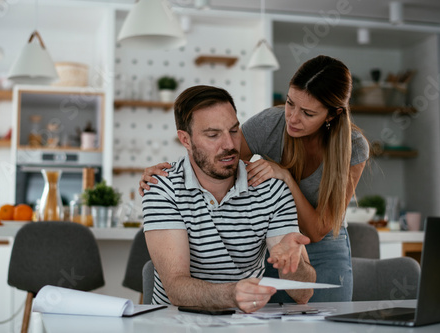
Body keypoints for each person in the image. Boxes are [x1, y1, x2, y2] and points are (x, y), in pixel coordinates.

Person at [140, 55, 369, 303]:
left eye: (308, 113)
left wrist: (286, 179)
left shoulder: (352, 149)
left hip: (315, 241)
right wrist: (170, 174)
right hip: (275, 242)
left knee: (325, 320)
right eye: (290, 103)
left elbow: (316, 233)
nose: (292, 118)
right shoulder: (271, 124)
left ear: (332, 115)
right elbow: (217, 160)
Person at [142, 85, 316, 313]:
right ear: (185, 140)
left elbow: (302, 295)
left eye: (234, 131)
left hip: (243, 325)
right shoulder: (162, 187)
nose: (230, 145)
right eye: (213, 135)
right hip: (175, 324)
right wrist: (233, 294)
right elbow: (176, 289)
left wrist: (292, 266)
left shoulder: (272, 189)